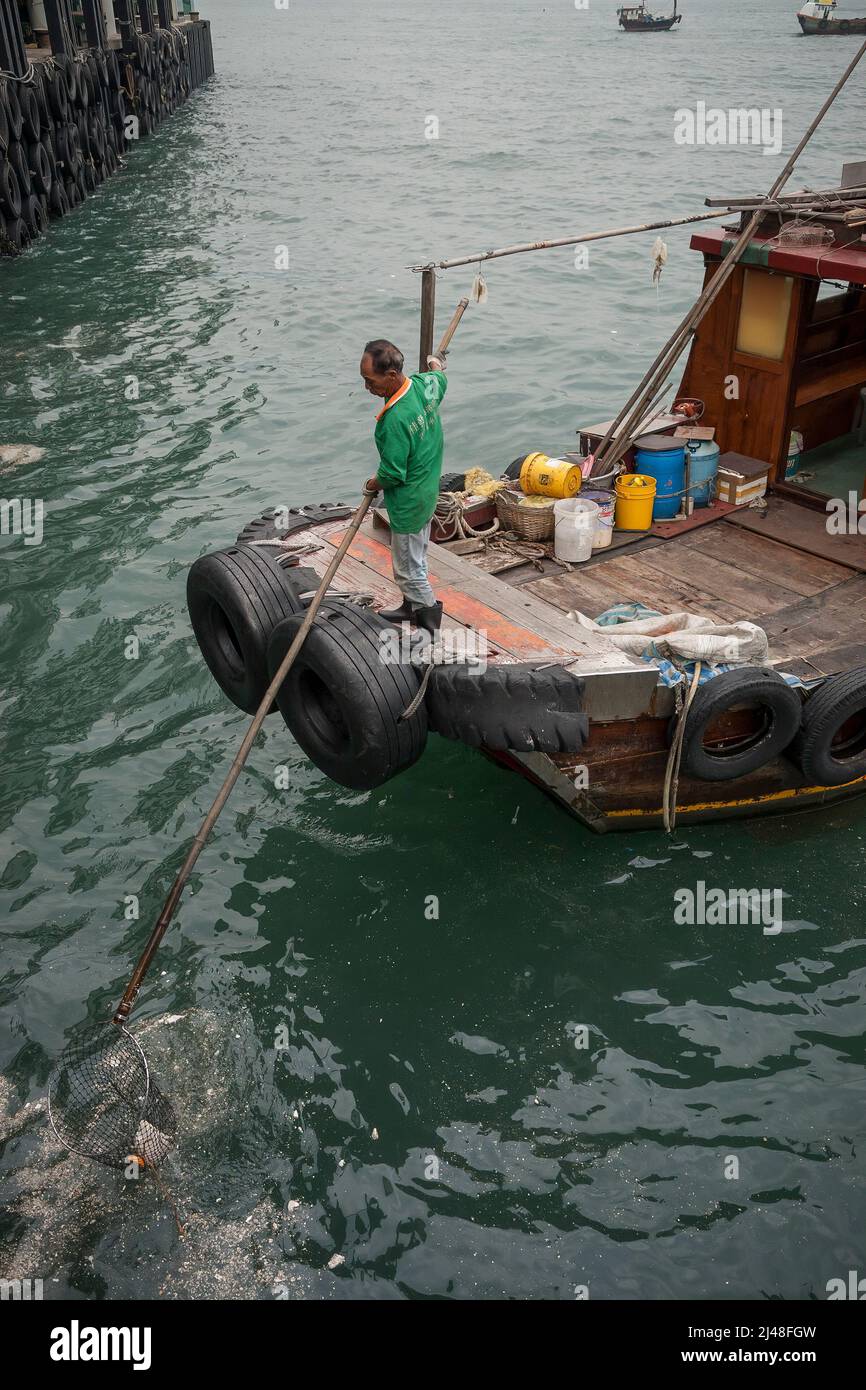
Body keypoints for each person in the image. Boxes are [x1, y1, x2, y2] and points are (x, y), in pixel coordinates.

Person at [361, 338, 448, 634]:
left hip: (410, 502)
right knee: (417, 557)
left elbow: (392, 474)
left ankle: (429, 628)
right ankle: (411, 607)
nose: (367, 387)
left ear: (391, 375)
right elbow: (439, 377)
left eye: (370, 381)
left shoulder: (394, 420)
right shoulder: (423, 386)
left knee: (408, 572)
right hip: (428, 491)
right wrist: (435, 362)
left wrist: (372, 483)